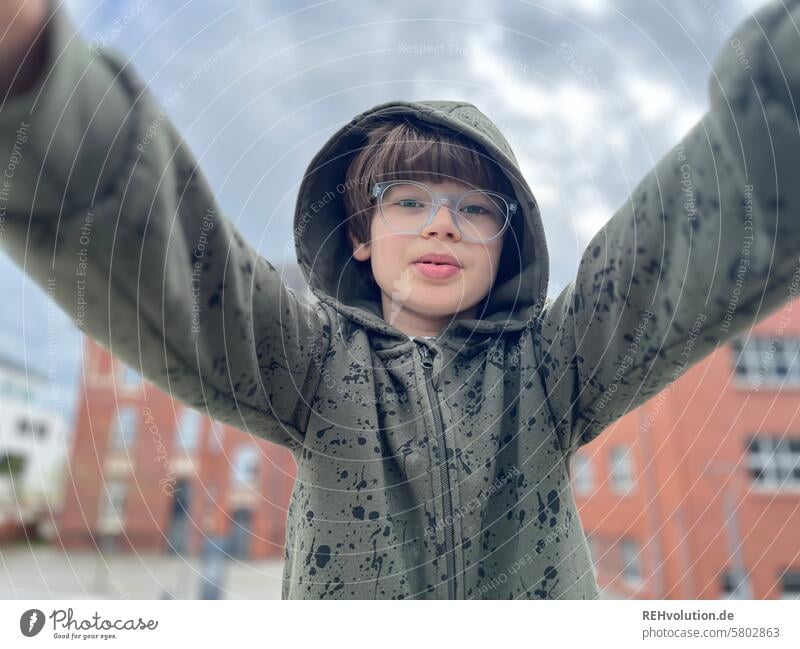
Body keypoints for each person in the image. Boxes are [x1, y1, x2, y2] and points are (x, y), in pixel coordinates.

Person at [1, 0, 798, 599]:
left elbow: (686, 244)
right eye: (407, 199)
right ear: (360, 233)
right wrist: (37, 87)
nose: (443, 224)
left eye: (476, 207)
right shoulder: (305, 369)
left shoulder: (558, 369)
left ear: (506, 241)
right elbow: (175, 270)